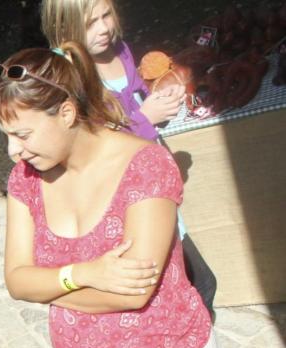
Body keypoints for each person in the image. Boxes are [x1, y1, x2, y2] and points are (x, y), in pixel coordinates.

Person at [0, 43, 217, 348]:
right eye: (6, 136)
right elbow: (17, 282)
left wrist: (46, 289)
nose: (13, 151)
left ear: (66, 113)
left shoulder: (144, 165)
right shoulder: (25, 179)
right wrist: (82, 273)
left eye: (22, 134)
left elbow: (134, 294)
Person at [40, 0, 217, 317]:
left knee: (197, 283)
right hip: (123, 197)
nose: (104, 28)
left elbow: (136, 99)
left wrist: (160, 99)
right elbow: (89, 142)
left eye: (106, 15)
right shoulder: (67, 76)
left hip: (153, 184)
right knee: (193, 286)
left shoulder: (119, 51)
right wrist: (145, 120)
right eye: (90, 23)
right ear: (63, 27)